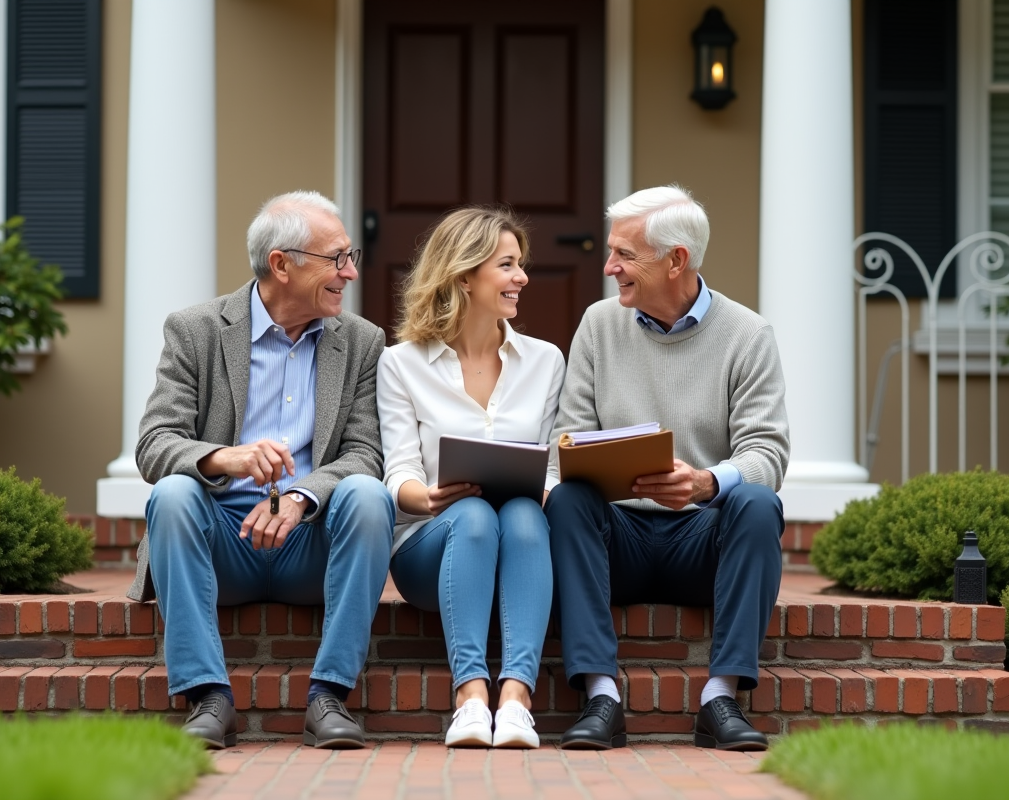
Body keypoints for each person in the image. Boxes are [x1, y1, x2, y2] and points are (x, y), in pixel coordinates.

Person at [129, 191, 395, 751]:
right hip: (221, 543)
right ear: (282, 264)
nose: (348, 272)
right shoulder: (195, 330)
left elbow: (365, 453)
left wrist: (299, 497)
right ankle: (208, 697)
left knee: (370, 494)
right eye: (336, 259)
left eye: (352, 257)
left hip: (309, 545)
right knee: (173, 493)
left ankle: (328, 696)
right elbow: (154, 445)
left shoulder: (363, 342)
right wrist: (226, 458)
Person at [545, 185, 789, 751]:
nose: (610, 268)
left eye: (624, 255)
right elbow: (568, 440)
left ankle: (720, 698)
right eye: (612, 253)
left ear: (675, 259)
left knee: (757, 502)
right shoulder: (598, 325)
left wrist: (706, 483)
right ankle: (601, 696)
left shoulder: (748, 335)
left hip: (703, 540)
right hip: (616, 538)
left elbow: (767, 452)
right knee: (568, 499)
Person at [376, 206, 565, 748]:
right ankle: (470, 695)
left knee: (526, 512)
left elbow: (551, 465)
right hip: (429, 547)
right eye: (507, 265)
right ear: (464, 276)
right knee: (474, 514)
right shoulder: (402, 363)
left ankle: (516, 699)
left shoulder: (545, 361)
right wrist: (429, 497)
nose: (522, 277)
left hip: (520, 536)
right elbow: (400, 472)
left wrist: (546, 488)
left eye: (520, 265)